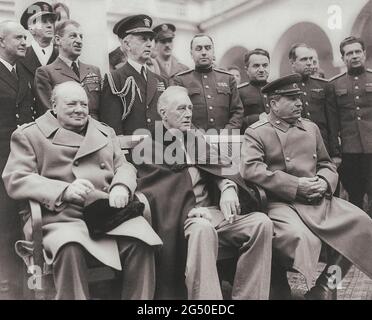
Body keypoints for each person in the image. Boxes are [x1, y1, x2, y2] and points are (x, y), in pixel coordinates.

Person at [2, 81, 159, 300]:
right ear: (54, 106)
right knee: (70, 246)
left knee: (142, 242)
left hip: (107, 215)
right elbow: (16, 178)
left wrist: (121, 186)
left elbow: (124, 166)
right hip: (59, 218)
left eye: (84, 104)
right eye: (71, 104)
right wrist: (63, 190)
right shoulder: (30, 135)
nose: (79, 109)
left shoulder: (104, 132)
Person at [131, 86, 273, 300]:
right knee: (202, 229)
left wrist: (227, 187)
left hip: (216, 213)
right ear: (163, 113)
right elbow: (155, 192)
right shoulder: (149, 145)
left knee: (261, 223)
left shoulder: (195, 139)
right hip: (184, 219)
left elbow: (221, 165)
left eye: (189, 108)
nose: (188, 114)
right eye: (180, 109)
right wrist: (191, 210)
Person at [240, 73, 372, 300]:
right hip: (282, 202)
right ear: (274, 104)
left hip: (317, 198)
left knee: (361, 224)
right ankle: (278, 285)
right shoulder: (258, 131)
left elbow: (326, 164)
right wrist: (294, 185)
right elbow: (251, 169)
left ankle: (326, 286)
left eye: (299, 97)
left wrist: (323, 182)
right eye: (291, 99)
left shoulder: (310, 128)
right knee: (300, 239)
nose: (299, 103)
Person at [0, 20, 38, 300]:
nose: (25, 42)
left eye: (26, 37)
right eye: (19, 38)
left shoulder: (26, 73)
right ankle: (8, 289)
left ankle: (27, 288)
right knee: (4, 224)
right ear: (2, 42)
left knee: (25, 221)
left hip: (23, 159)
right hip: (1, 160)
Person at [100, 14, 167, 135]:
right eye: (143, 39)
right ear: (127, 44)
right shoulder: (114, 79)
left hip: (160, 150)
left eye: (150, 39)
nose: (149, 44)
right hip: (132, 150)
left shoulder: (160, 81)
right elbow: (112, 127)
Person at [328, 36, 372, 216]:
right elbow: (332, 122)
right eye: (349, 53)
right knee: (354, 198)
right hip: (349, 152)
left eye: (357, 52)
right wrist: (336, 152)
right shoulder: (334, 84)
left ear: (364, 54)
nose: (354, 56)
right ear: (343, 58)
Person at [171, 34, 243, 132]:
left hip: (224, 141)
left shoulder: (228, 78)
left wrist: (227, 133)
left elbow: (237, 111)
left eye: (208, 48)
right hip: (193, 142)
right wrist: (196, 135)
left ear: (213, 52)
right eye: (199, 49)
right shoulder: (181, 80)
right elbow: (178, 112)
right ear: (191, 53)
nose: (204, 52)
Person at [34, 19, 102, 119]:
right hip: (66, 131)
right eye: (73, 36)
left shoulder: (94, 70)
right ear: (58, 40)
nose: (79, 41)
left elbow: (103, 109)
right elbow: (49, 112)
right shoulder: (46, 73)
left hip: (94, 130)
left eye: (81, 37)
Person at [289, 43, 339, 158]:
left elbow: (332, 122)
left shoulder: (324, 86)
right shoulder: (285, 88)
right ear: (292, 63)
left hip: (323, 145)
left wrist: (335, 153)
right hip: (297, 148)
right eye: (304, 59)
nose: (309, 63)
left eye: (311, 59)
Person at [18, 2, 58, 78]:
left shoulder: (63, 55)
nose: (50, 25)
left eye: (51, 21)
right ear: (31, 29)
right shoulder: (20, 57)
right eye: (44, 21)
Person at [238, 49, 270, 133]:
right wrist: (257, 118)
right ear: (246, 70)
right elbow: (235, 121)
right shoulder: (239, 92)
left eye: (265, 65)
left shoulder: (277, 89)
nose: (261, 70)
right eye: (256, 66)